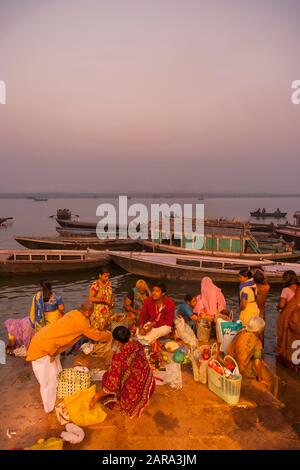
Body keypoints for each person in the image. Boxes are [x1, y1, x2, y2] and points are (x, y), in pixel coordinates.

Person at [26, 301, 111, 413]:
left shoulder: (73, 313)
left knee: (57, 374)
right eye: (92, 312)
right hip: (43, 349)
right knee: (47, 382)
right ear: (88, 312)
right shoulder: (82, 323)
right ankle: (49, 409)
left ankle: (59, 397)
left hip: (46, 341)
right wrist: (110, 335)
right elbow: (97, 335)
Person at [90, 326, 155, 418]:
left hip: (133, 395)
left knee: (106, 377)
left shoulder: (119, 359)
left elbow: (111, 386)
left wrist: (97, 396)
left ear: (116, 342)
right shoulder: (137, 343)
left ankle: (124, 401)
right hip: (149, 383)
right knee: (117, 374)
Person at [228, 317, 278, 396]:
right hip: (244, 371)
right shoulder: (257, 342)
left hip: (233, 364)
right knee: (273, 379)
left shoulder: (240, 332)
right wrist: (260, 378)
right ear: (259, 330)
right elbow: (257, 362)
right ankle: (272, 400)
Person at [276, 272, 300, 373]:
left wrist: (278, 307)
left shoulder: (285, 290)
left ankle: (288, 360)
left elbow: (281, 305)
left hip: (290, 318)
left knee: (287, 337)